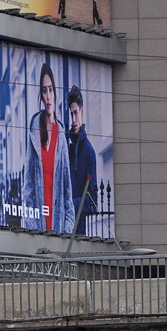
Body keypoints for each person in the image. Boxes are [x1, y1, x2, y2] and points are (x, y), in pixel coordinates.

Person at [21, 62, 75, 234]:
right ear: (41, 95)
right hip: (38, 229)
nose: (48, 96)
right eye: (45, 91)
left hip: (59, 228)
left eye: (51, 90)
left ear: (55, 92)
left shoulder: (61, 134)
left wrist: (67, 229)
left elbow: (68, 191)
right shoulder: (34, 130)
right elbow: (27, 187)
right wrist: (32, 226)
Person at [66, 85, 98, 235]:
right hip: (62, 229)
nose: (73, 119)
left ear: (82, 112)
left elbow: (93, 202)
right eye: (71, 114)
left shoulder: (88, 151)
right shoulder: (66, 147)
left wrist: (70, 205)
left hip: (78, 234)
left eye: (76, 113)